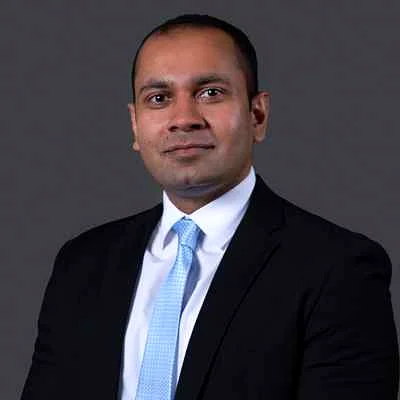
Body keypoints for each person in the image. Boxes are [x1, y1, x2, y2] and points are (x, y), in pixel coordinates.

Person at [21, 14, 399, 400]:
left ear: (257, 115)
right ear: (135, 125)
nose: (183, 119)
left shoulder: (338, 268)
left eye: (210, 93)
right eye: (159, 98)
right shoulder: (82, 265)